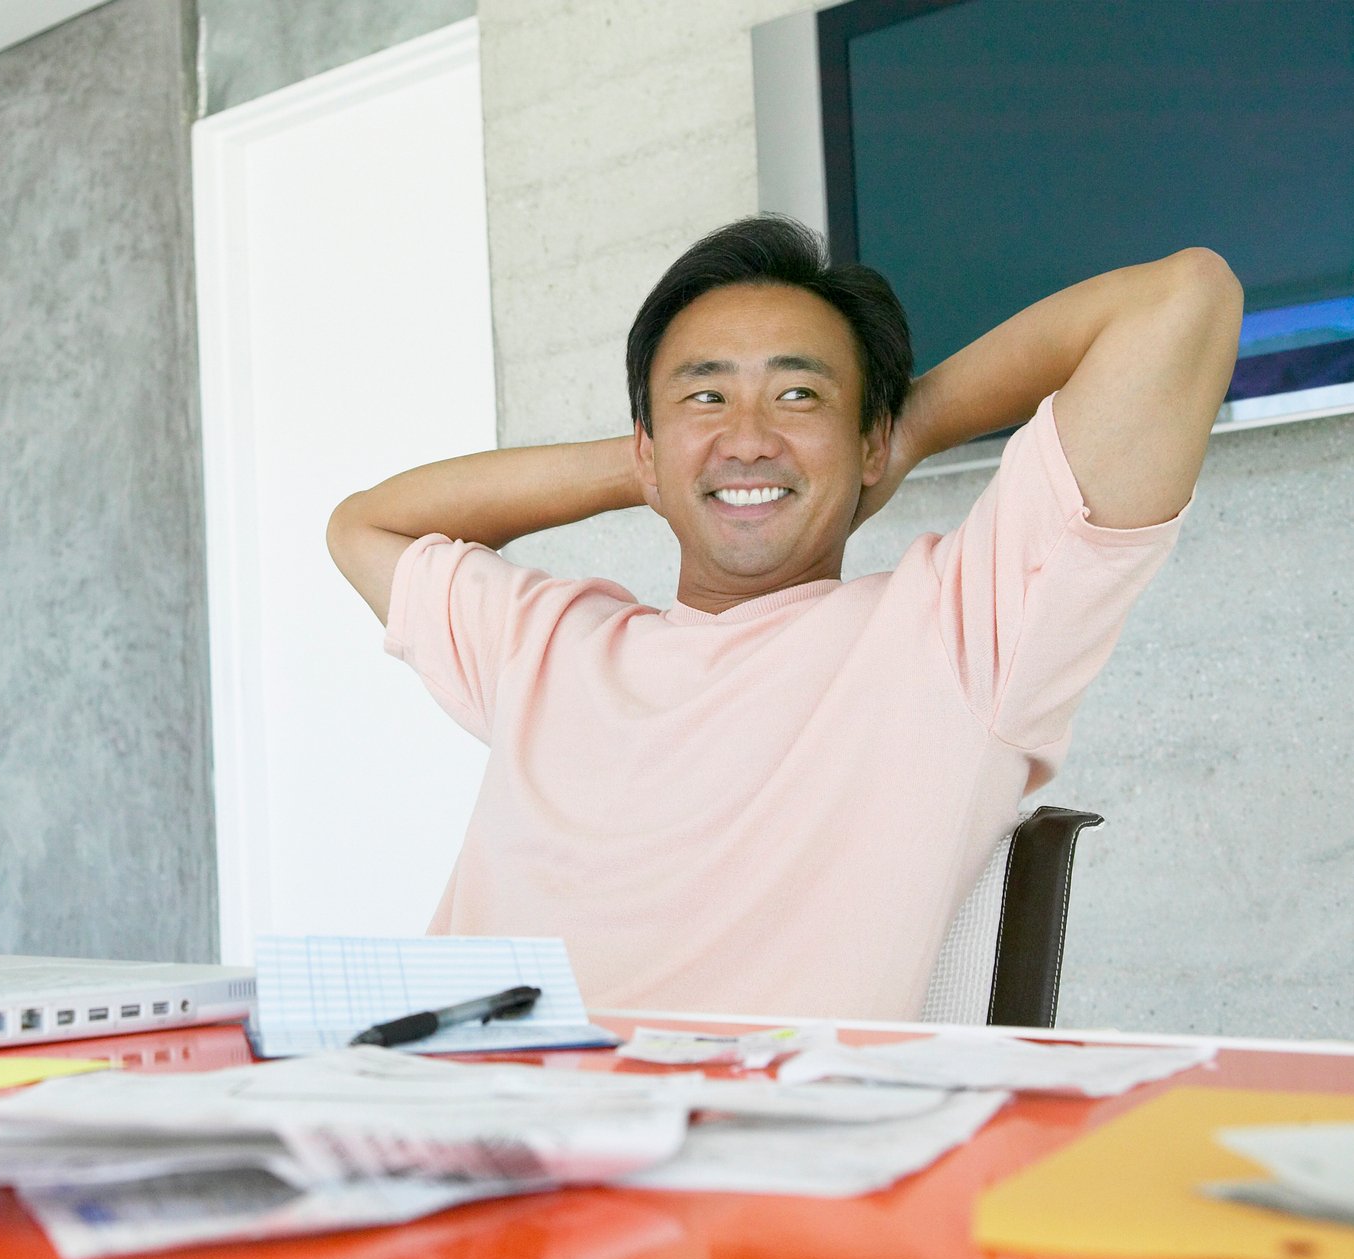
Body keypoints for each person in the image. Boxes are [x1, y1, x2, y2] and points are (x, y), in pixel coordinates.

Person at [325, 216, 1241, 1020]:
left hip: (727, 1172)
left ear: (868, 437)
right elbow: (364, 524)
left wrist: (900, 433)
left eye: (799, 395)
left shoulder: (957, 634)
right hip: (433, 1125)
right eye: (706, 392)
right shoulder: (547, 645)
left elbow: (1183, 300)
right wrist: (667, 464)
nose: (751, 433)